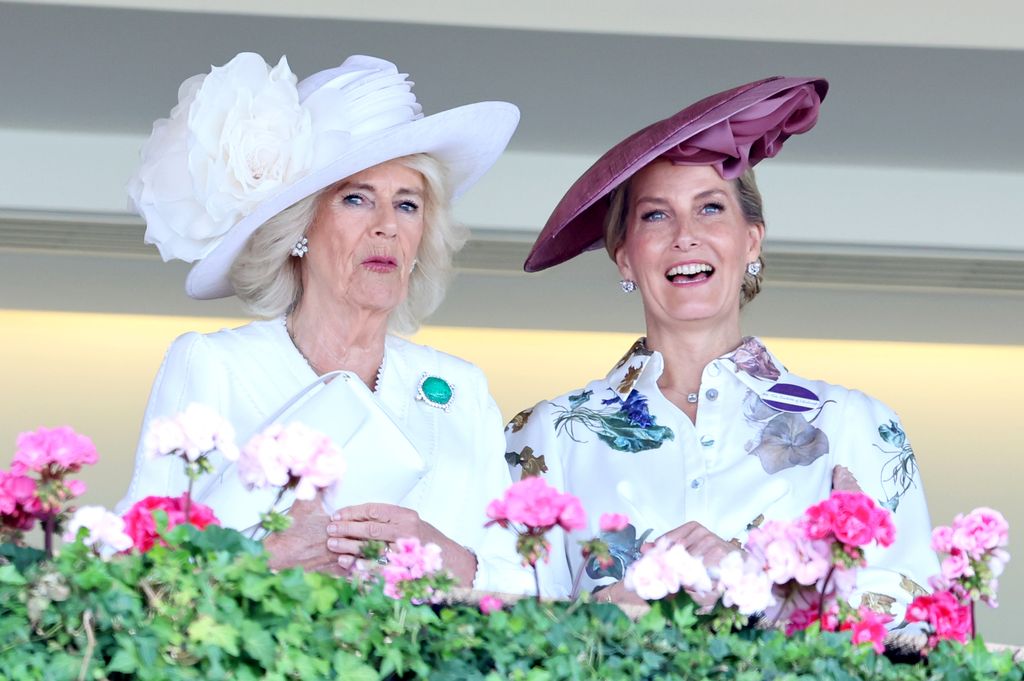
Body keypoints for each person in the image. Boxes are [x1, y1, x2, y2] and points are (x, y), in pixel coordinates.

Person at [504, 76, 939, 619]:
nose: (685, 235)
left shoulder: (853, 426)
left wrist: (769, 586)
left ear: (751, 238)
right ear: (624, 256)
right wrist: (604, 617)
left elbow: (927, 620)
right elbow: (499, 631)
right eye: (655, 215)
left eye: (710, 208)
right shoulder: (546, 436)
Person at [118, 52, 530, 592]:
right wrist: (265, 559)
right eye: (356, 199)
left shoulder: (462, 389)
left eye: (407, 205)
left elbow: (522, 590)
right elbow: (134, 561)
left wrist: (444, 555)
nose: (387, 226)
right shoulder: (214, 365)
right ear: (299, 228)